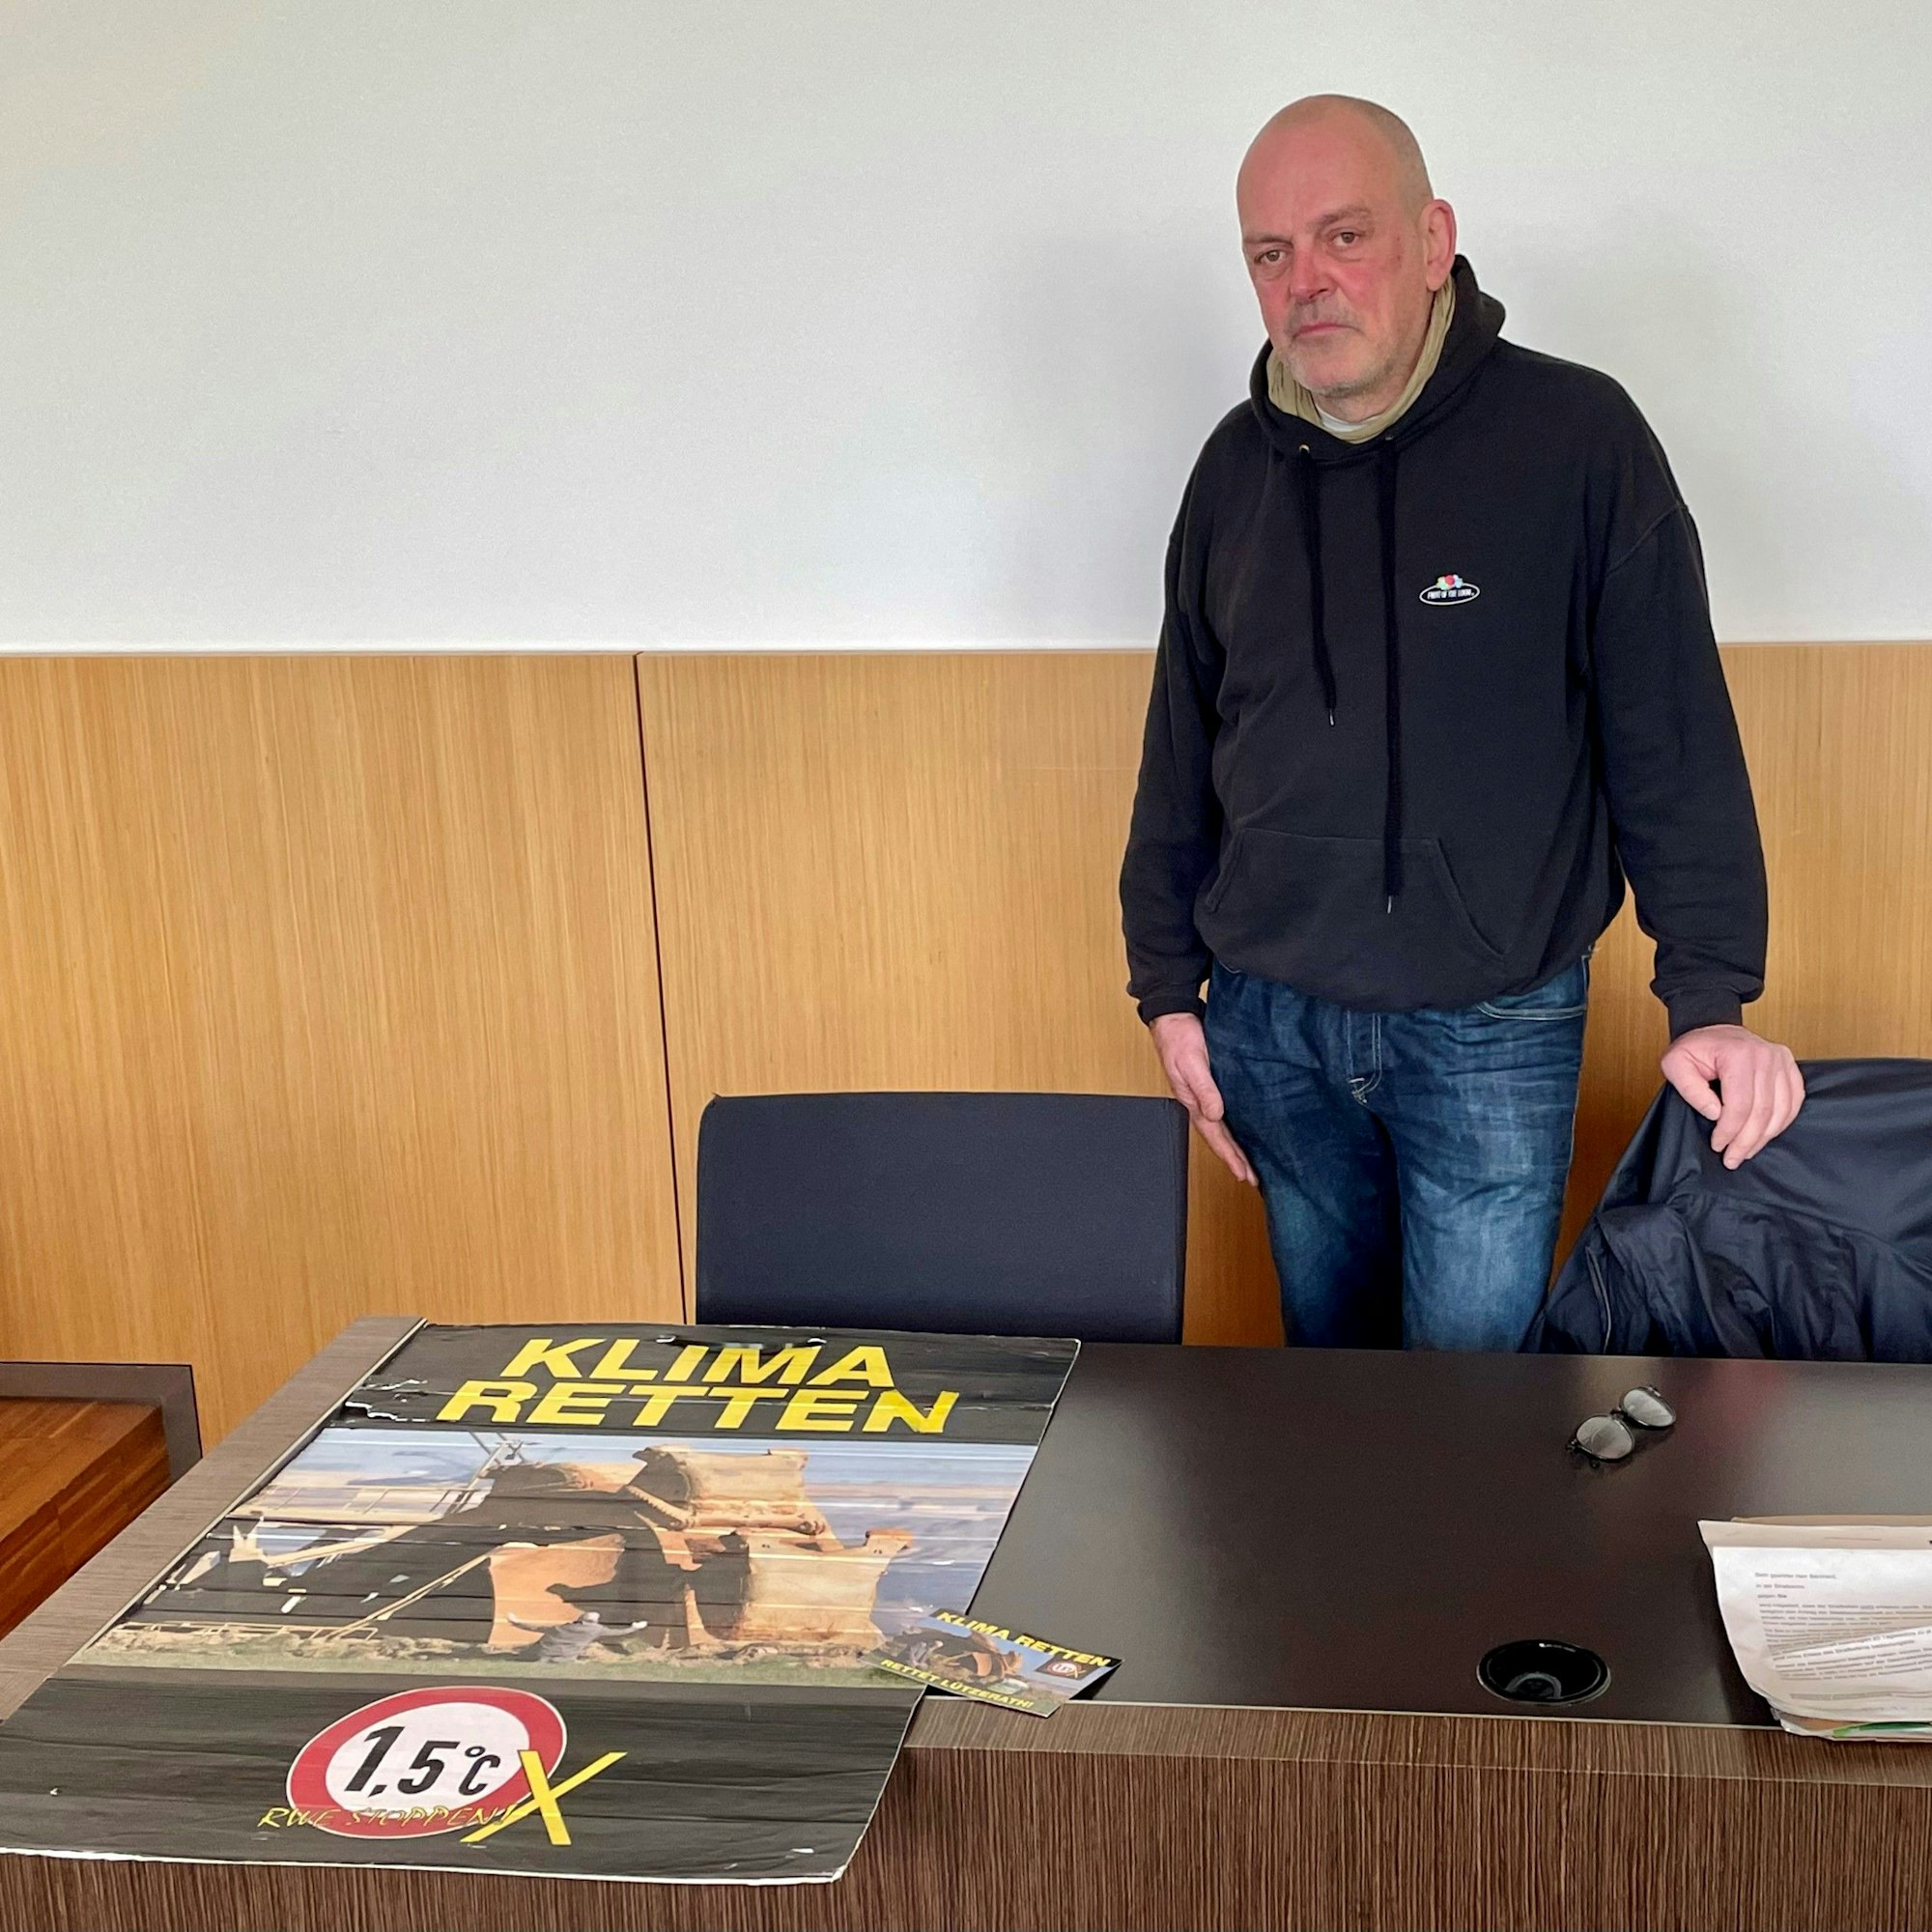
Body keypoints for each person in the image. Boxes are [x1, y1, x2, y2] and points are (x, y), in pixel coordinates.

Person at [1119, 95, 1804, 1351]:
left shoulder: (1579, 442)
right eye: (1271, 254)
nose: (1306, 282)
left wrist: (1710, 994)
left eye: (1344, 237)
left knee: (1475, 1421)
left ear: (1434, 242)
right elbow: (1183, 746)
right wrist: (1168, 988)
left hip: (1491, 1023)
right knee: (1331, 1390)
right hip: (1269, 1023)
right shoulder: (1233, 470)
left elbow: (1672, 738)